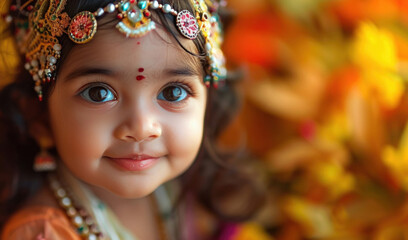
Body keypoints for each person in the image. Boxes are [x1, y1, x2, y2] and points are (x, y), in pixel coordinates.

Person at [0, 0, 264, 239]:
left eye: (173, 92)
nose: (141, 128)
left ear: (207, 103)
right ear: (38, 115)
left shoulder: (191, 195)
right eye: (99, 93)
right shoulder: (41, 234)